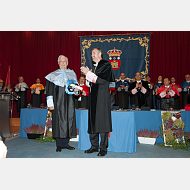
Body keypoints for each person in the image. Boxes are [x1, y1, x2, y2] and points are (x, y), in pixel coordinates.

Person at [80, 48, 115, 156]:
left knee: (102, 123)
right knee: (93, 122)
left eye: (94, 53)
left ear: (100, 54)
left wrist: (88, 74)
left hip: (102, 98)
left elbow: (101, 80)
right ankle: (94, 146)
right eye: (91, 54)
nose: (92, 55)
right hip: (93, 99)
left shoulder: (106, 65)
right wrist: (88, 76)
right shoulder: (95, 68)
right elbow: (90, 84)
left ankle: (103, 148)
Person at [45, 55, 80, 152]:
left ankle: (66, 143)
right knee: (58, 121)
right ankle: (59, 144)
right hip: (57, 102)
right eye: (61, 61)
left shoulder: (72, 74)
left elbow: (75, 90)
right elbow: (49, 91)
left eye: (64, 61)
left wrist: (77, 91)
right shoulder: (53, 75)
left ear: (67, 63)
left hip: (69, 102)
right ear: (58, 63)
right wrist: (50, 103)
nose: (63, 63)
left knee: (69, 120)